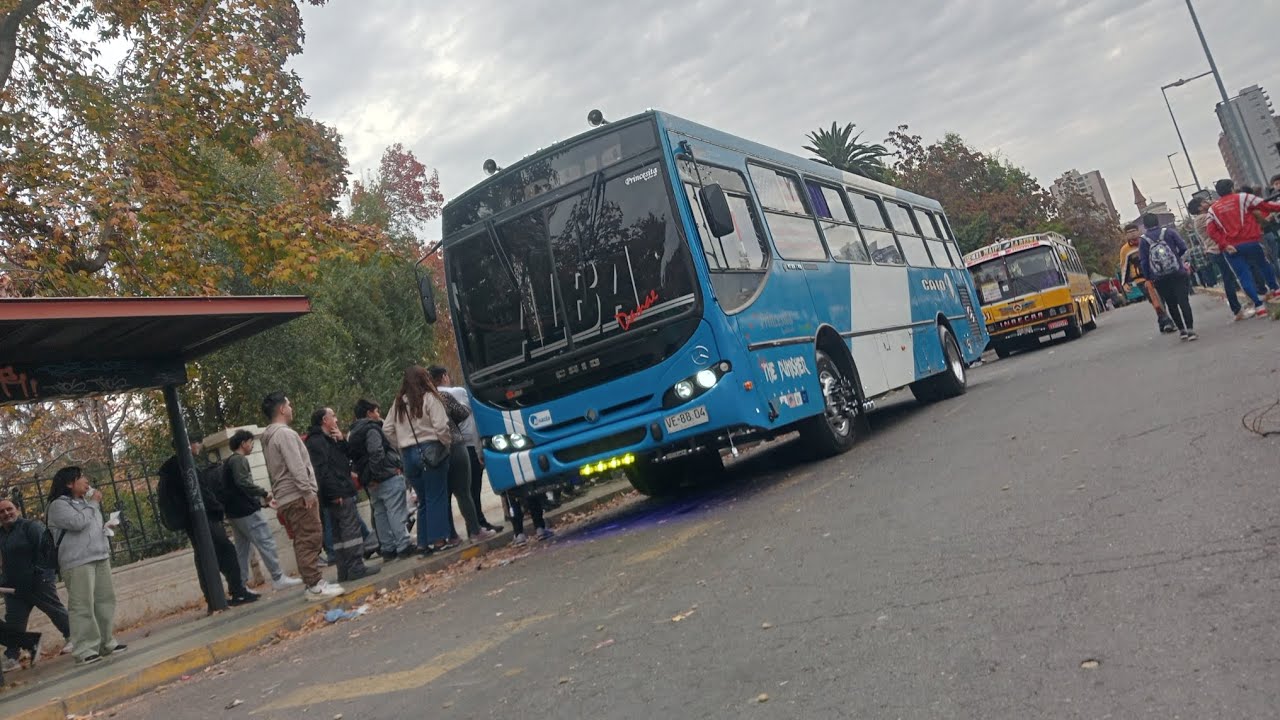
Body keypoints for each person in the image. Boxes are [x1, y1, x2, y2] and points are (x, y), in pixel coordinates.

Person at [261, 392, 345, 601]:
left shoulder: (269, 436)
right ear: (281, 409)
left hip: (286, 496)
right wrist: (307, 491)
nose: (291, 408)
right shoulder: (285, 434)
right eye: (288, 404)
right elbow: (296, 465)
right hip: (298, 495)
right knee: (310, 538)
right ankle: (315, 585)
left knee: (302, 539)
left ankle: (313, 583)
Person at [159, 442, 259, 608]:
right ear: (189, 444)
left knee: (205, 557)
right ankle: (237, 591)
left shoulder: (175, 467)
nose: (199, 445)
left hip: (193, 520)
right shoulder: (185, 465)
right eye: (196, 442)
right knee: (225, 552)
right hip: (203, 518)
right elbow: (201, 492)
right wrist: (217, 508)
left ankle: (214, 598)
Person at [45, 467, 124, 665]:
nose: (86, 481)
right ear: (69, 483)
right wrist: (94, 502)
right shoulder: (57, 506)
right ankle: (85, 649)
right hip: (77, 561)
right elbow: (78, 523)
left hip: (99, 556)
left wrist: (106, 527)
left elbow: (89, 525)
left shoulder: (85, 503)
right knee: (82, 605)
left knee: (105, 601)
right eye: (81, 478)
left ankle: (106, 643)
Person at [383, 366, 455, 555]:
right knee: (436, 496)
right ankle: (439, 541)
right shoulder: (430, 398)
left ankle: (423, 543)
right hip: (431, 449)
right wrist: (446, 443)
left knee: (423, 499)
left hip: (408, 455)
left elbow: (387, 429)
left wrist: (400, 444)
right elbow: (441, 426)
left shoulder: (398, 403)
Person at [305, 407, 379, 583]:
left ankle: (344, 571)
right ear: (325, 420)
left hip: (338, 491)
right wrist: (334, 492)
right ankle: (356, 567)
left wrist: (341, 440)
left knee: (339, 535)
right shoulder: (316, 442)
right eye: (333, 416)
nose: (336, 420)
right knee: (349, 531)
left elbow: (346, 456)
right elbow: (322, 470)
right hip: (338, 492)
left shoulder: (328, 439)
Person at [221, 430, 302, 591]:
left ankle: (240, 585)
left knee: (242, 550)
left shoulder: (228, 462)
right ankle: (278, 577)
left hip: (235, 513)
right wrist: (263, 493)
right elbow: (243, 483)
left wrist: (262, 503)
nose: (251, 446)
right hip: (247, 511)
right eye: (251, 442)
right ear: (243, 443)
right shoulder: (239, 460)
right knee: (266, 542)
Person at [430, 367, 501, 533]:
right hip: (464, 445)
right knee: (470, 490)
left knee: (447, 493)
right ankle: (477, 524)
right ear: (444, 377)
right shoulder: (457, 393)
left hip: (438, 450)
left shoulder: (426, 399)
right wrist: (479, 449)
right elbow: (467, 416)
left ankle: (451, 533)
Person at [0, 499, 70, 670]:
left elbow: (45, 550)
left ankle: (75, 637)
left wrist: (40, 575)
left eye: (9, 509)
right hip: (13, 587)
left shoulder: (31, 527)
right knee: (14, 622)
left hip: (37, 582)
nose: (6, 514)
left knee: (54, 610)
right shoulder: (1, 533)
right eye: (1, 512)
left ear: (17, 509)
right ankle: (12, 656)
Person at [348, 399, 413, 561]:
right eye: (376, 411)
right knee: (395, 512)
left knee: (380, 514)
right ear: (369, 413)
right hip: (385, 477)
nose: (379, 415)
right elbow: (376, 453)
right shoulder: (372, 429)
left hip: (370, 483)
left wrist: (368, 478)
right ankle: (404, 545)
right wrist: (376, 475)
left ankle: (387, 549)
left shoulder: (353, 433)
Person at [1206, 178, 1280, 317]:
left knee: (1244, 276)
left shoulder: (1212, 210)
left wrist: (1224, 244)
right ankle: (1275, 289)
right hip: (1251, 241)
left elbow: (1211, 231)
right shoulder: (1242, 197)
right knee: (1264, 264)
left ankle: (1259, 307)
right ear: (1232, 188)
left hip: (1231, 248)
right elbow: (1266, 205)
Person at [1137, 214, 1196, 340]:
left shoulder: (1143, 240)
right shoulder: (1169, 232)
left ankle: (1182, 330)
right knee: (1183, 301)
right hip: (1177, 273)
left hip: (1159, 277)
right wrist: (1177, 259)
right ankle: (1190, 329)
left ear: (1145, 226)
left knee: (1171, 303)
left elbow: (1144, 261)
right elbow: (1183, 247)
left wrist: (1148, 277)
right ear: (1157, 221)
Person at [1189, 197, 1245, 320]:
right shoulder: (1203, 218)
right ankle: (1236, 309)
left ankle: (1240, 305)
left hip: (1217, 250)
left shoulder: (1203, 217)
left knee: (1230, 277)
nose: (1207, 201)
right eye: (1204, 201)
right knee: (1228, 278)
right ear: (1199, 207)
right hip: (1217, 250)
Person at [1120, 222, 1175, 333]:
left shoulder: (1146, 242)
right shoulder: (1125, 250)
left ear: (1139, 231)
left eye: (1134, 231)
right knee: (1154, 299)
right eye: (1129, 233)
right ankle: (1167, 322)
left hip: (1155, 275)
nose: (1132, 234)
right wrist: (1124, 283)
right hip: (1141, 279)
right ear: (1125, 235)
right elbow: (1124, 267)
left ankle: (1162, 322)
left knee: (1161, 298)